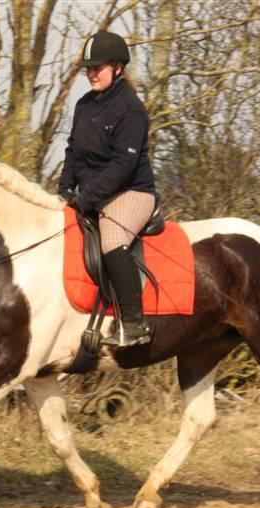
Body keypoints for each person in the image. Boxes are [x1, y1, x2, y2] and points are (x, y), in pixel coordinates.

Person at [58, 30, 156, 347]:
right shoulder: (84, 105)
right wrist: (63, 192)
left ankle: (134, 323)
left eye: (96, 67)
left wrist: (85, 198)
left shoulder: (131, 110)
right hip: (94, 195)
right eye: (88, 68)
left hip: (131, 192)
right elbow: (72, 151)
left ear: (117, 68)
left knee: (112, 239)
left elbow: (122, 167)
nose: (90, 73)